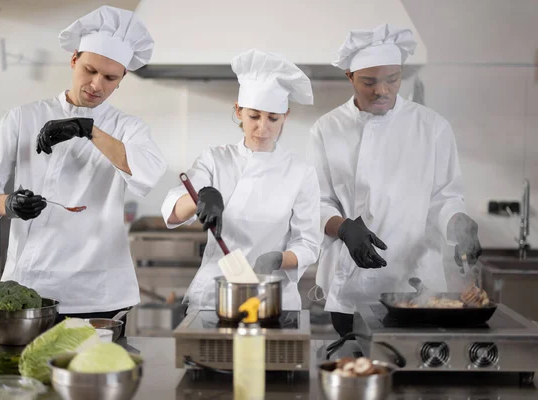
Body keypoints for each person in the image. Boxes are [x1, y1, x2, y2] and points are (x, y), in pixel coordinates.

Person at [0, 6, 167, 333]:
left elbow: (148, 170)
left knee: (94, 381)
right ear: (73, 59)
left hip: (99, 295)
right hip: (32, 289)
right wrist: (9, 204)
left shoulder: (126, 127)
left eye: (110, 77)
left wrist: (88, 129)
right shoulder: (24, 117)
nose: (97, 85)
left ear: (122, 78)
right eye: (90, 70)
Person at [309, 24, 482, 336]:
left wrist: (457, 221)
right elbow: (315, 202)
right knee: (355, 369)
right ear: (350, 76)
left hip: (418, 288)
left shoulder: (432, 128)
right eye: (369, 81)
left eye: (392, 79)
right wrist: (344, 228)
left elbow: (445, 198)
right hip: (352, 284)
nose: (382, 90)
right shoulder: (326, 129)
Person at [161, 49, 321, 314]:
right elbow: (174, 212)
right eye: (254, 116)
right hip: (214, 298)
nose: (263, 128)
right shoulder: (215, 159)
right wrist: (201, 198)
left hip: (272, 298)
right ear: (239, 110)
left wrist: (279, 259)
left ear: (286, 116)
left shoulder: (300, 172)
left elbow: (308, 244)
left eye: (273, 118)